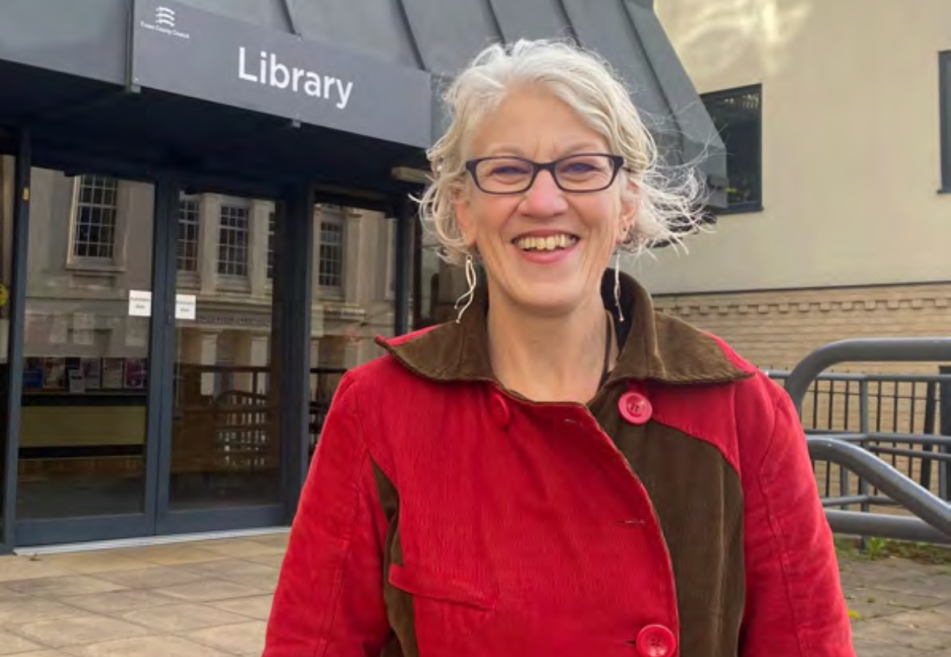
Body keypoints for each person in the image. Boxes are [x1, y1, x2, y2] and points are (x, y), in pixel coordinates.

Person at [262, 39, 853, 656]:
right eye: (507, 170)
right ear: (463, 208)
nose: (543, 203)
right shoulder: (379, 408)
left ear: (626, 202)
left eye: (580, 167)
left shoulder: (741, 412)